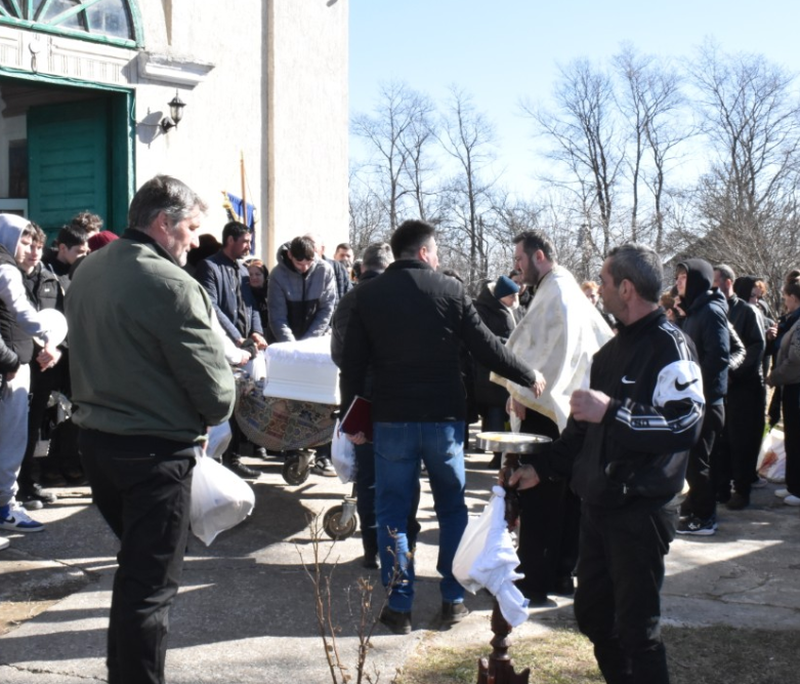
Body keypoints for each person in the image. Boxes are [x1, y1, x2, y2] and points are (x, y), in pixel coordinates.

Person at [66, 175, 236, 684]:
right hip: (153, 454)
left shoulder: (90, 268)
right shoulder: (172, 284)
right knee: (149, 588)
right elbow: (217, 397)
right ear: (164, 223)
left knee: (136, 576)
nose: (195, 241)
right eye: (192, 228)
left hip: (97, 443)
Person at [508, 243, 705, 684]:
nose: (598, 289)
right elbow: (581, 430)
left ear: (626, 288)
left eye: (605, 280)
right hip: (598, 507)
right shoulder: (609, 354)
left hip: (642, 510)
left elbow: (686, 423)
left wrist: (614, 411)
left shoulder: (671, 346)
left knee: (638, 629)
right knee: (594, 616)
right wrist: (541, 469)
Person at [338, 219, 544, 635]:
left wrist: (350, 420)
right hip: (444, 422)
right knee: (451, 509)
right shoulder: (451, 290)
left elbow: (352, 365)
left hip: (391, 419)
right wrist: (527, 374)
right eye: (435, 252)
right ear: (425, 252)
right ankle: (452, 599)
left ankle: (399, 605)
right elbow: (487, 346)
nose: (437, 258)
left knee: (393, 512)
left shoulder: (366, 295)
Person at [494, 230, 613, 603]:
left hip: (547, 410)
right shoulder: (562, 288)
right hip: (566, 410)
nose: (516, 266)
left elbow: (545, 356)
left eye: (520, 258)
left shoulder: (556, 292)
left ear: (539, 256)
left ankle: (534, 580)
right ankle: (562, 573)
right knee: (566, 498)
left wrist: (520, 392)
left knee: (541, 497)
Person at [331, 242, 421, 568]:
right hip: (400, 400)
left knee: (369, 479)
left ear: (362, 267)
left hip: (363, 402)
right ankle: (404, 545)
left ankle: (373, 549)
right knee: (405, 475)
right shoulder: (403, 297)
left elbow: (339, 356)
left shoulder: (348, 301)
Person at [0, 214, 62, 542]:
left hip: (14, 367)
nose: (30, 250)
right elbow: (23, 313)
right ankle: (4, 507)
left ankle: (5, 506)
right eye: (24, 242)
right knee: (9, 442)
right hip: (9, 371)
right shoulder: (6, 269)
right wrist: (46, 336)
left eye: (34, 243)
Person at [195, 221, 267, 479]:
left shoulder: (244, 270)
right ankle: (216, 462)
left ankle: (234, 458)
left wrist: (256, 331)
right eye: (245, 241)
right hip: (223, 349)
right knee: (225, 405)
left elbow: (251, 306)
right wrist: (236, 338)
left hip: (246, 349)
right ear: (230, 240)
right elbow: (211, 306)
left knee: (243, 405)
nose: (249, 246)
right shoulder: (209, 267)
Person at [674, 258, 730, 536]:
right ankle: (695, 509)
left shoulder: (710, 311)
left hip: (707, 400)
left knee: (699, 463)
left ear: (698, 279)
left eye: (684, 277)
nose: (678, 282)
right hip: (694, 399)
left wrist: (695, 387)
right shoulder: (695, 311)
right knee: (692, 462)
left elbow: (718, 356)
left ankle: (706, 518)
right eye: (677, 277)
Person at [16, 223, 64, 510]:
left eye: (39, 247)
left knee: (33, 427)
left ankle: (27, 483)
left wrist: (54, 350)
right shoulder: (8, 278)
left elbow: (60, 322)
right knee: (11, 428)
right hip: (15, 364)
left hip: (43, 368)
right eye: (29, 246)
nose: (34, 252)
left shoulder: (50, 280)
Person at [711, 266, 766, 510]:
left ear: (728, 283)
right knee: (721, 441)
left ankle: (742, 490)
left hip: (744, 388)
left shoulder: (747, 311)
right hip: (721, 388)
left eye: (715, 282)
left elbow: (756, 347)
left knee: (741, 440)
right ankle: (721, 488)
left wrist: (733, 373)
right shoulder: (714, 309)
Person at [473, 274, 520, 468]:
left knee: (507, 413)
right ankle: (497, 454)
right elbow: (485, 338)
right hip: (492, 371)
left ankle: (506, 455)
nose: (516, 299)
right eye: (512, 296)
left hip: (509, 368)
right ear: (501, 296)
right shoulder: (484, 310)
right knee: (496, 413)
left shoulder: (512, 309)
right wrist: (510, 343)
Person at [767, 270, 800, 507]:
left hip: (796, 387)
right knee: (792, 438)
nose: (784, 301)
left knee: (797, 439)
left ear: (794, 298)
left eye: (786, 297)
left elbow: (796, 359)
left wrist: (775, 376)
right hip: (790, 387)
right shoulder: (791, 320)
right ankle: (792, 485)